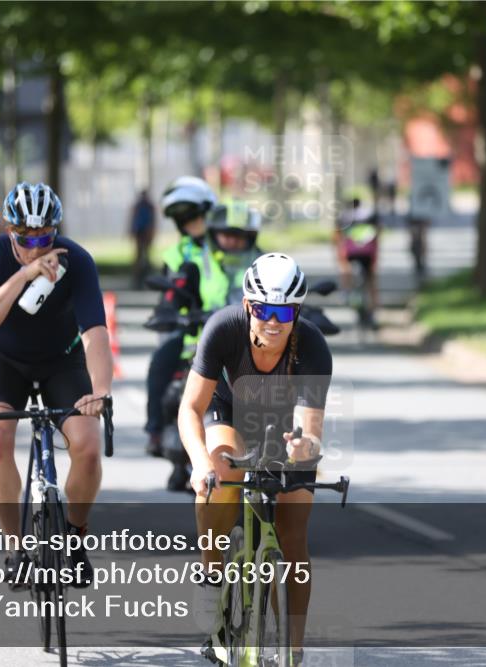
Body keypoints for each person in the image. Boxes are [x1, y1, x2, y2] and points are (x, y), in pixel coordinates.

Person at [179, 253, 332, 663]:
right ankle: (211, 575)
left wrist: (303, 448)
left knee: (293, 535)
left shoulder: (312, 346)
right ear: (248, 305)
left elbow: (310, 431)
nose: (273, 322)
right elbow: (190, 408)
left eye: (284, 312)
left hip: (285, 425)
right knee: (221, 476)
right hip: (228, 412)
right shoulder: (223, 329)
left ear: (297, 311)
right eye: (264, 310)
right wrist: (199, 462)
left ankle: (292, 649)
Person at [0, 181, 113, 589]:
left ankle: (75, 538)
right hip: (3, 358)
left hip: (61, 360)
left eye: (44, 237)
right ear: (9, 231)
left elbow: (95, 333)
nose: (35, 247)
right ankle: (15, 547)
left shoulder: (77, 261)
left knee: (88, 445)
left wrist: (100, 390)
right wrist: (24, 275)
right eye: (25, 238)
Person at [144, 176, 225, 469]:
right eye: (183, 219)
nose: (190, 223)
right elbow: (170, 292)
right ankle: (155, 430)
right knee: (160, 362)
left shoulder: (230, 243)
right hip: (191, 330)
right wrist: (168, 312)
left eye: (194, 216)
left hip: (231, 325)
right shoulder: (176, 253)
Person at [334, 196, 381, 326]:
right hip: (368, 253)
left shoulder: (344, 216)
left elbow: (338, 237)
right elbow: (377, 234)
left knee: (345, 271)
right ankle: (374, 310)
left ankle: (345, 291)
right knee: (371, 281)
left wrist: (339, 255)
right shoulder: (369, 215)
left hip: (351, 253)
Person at [130, 189, 156, 289]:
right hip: (140, 233)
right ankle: (138, 280)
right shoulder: (141, 206)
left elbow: (152, 221)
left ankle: (145, 278)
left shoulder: (148, 206)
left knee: (145, 256)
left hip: (145, 233)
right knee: (139, 256)